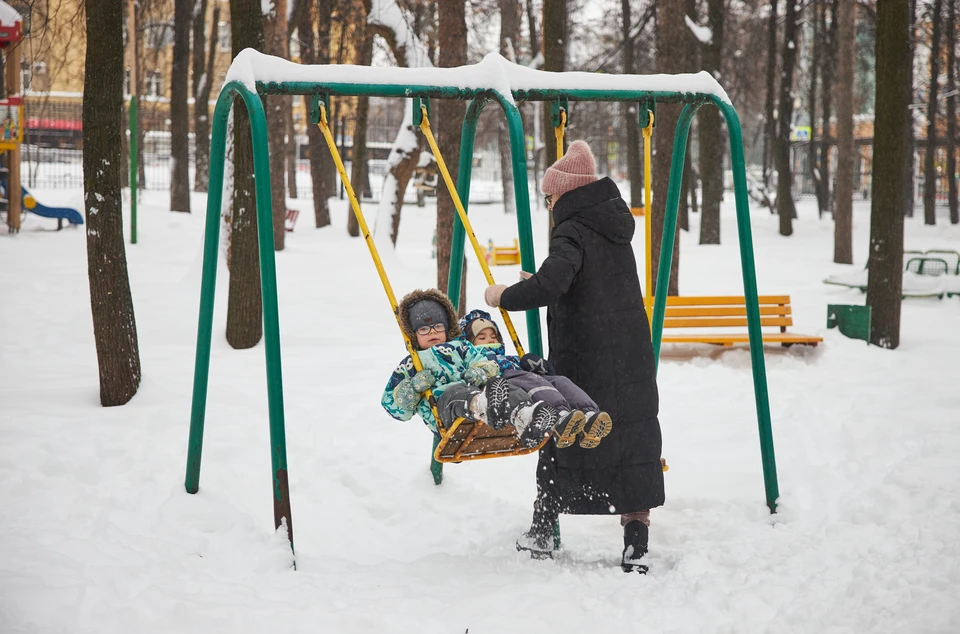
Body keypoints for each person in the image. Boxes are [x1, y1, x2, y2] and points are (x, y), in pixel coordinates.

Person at [484, 141, 665, 574]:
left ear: (563, 194)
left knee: (565, 428)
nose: (547, 205)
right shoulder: (612, 223)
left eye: (548, 198)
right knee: (632, 438)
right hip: (628, 354)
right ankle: (635, 542)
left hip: (587, 356)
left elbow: (552, 285)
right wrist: (546, 280)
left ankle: (543, 531)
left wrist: (504, 295)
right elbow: (587, 281)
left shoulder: (570, 229)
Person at [381, 288, 560, 448]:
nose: (432, 332)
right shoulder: (411, 363)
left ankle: (525, 416)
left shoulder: (462, 347)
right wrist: (413, 387)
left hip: (483, 397)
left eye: (437, 326)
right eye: (424, 329)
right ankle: (480, 405)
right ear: (413, 334)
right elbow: (393, 407)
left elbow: (485, 361)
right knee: (456, 392)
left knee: (504, 386)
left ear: (447, 328)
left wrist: (480, 371)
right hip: (446, 412)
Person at [457, 309, 612, 449]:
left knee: (560, 381)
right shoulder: (473, 360)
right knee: (528, 379)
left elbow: (546, 375)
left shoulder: (510, 358)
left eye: (494, 336)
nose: (490, 340)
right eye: (482, 337)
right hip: (509, 387)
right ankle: (559, 415)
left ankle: (589, 415)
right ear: (469, 343)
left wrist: (541, 368)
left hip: (527, 381)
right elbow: (469, 377)